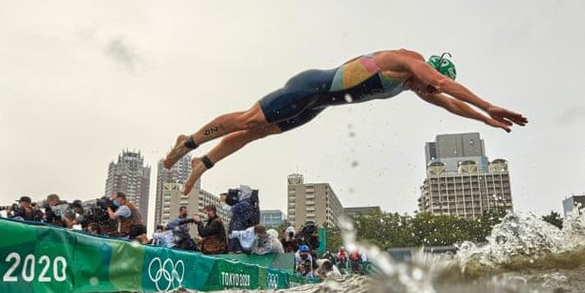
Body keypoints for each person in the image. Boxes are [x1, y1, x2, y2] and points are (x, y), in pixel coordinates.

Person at [163, 49, 528, 194]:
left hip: (316, 107)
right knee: (248, 119)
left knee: (255, 134)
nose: (427, 90)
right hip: (309, 87)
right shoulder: (406, 62)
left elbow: (449, 104)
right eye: (428, 84)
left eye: (428, 88)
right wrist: (490, 105)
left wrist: (487, 120)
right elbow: (445, 87)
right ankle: (190, 141)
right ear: (428, 71)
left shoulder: (414, 85)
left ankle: (203, 162)